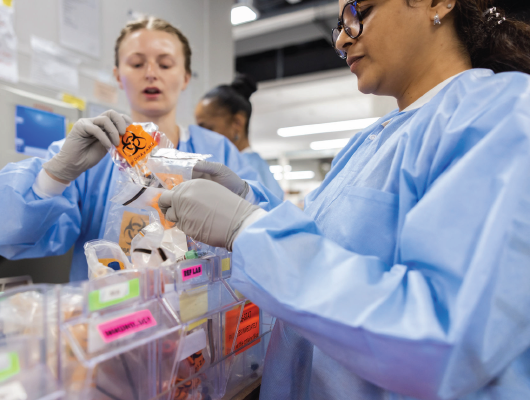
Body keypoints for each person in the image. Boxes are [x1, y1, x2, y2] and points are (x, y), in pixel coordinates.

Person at [158, 0, 530, 398]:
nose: (341, 37)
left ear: (435, 4)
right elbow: (331, 248)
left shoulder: (504, 115)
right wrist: (250, 202)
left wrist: (249, 230)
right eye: (338, 24)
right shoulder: (373, 138)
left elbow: (448, 337)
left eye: (357, 13)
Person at [0, 17, 279, 282]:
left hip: (199, 319)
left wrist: (242, 196)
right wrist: (55, 175)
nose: (150, 73)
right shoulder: (90, 150)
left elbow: (274, 225)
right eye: (136, 63)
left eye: (165, 63)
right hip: (110, 323)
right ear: (118, 75)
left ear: (185, 77)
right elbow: (6, 235)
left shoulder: (216, 151)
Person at [195, 75, 284, 198]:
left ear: (237, 123)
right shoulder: (255, 166)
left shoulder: (244, 171)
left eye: (209, 129)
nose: (201, 137)